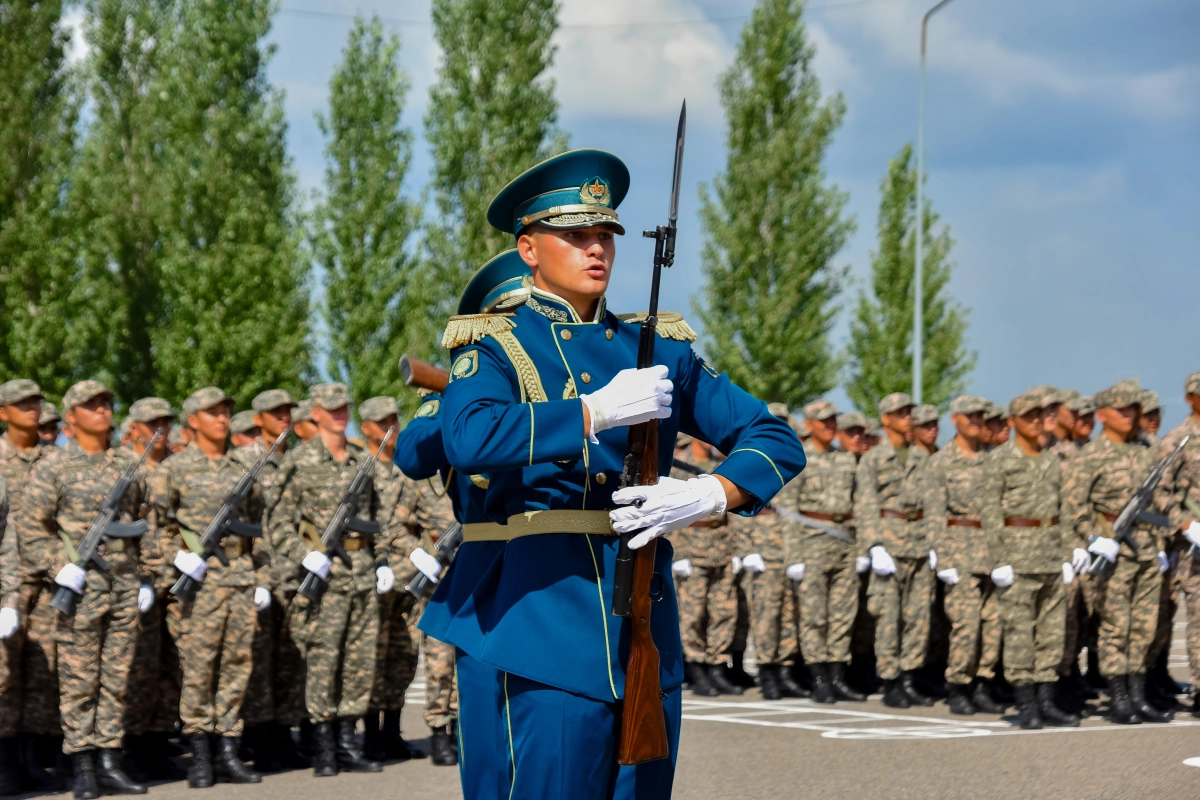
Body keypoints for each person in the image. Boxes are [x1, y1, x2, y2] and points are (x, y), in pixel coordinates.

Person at [435, 149, 805, 798]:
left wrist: (706, 494)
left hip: (643, 620)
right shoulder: (497, 347)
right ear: (528, 249)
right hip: (548, 622)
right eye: (574, 236)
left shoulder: (659, 349)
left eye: (604, 235)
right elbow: (467, 437)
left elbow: (771, 436)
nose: (595, 249)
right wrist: (590, 411)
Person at [19, 381, 156, 798]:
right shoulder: (54, 468)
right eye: (91, 405)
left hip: (123, 583)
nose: (102, 410)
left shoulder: (128, 464)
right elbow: (30, 529)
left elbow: (145, 521)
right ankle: (80, 765)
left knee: (117, 677)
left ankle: (109, 759)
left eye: (106, 404)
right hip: (80, 588)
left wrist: (148, 576)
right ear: (71, 417)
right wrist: (59, 568)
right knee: (80, 679)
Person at [269, 383, 393, 777]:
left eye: (345, 407)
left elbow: (379, 520)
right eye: (332, 407)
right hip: (324, 576)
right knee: (323, 660)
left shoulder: (362, 459)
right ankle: (323, 745)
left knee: (359, 661)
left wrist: (383, 562)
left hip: (360, 571)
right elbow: (277, 523)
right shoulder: (300, 461)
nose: (341, 413)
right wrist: (305, 555)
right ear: (315, 413)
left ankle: (346, 741)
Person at [154, 387, 270, 786]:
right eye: (212, 412)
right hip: (197, 583)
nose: (222, 418)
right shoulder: (174, 469)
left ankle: (228, 750)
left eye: (225, 412)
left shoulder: (243, 467)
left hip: (238, 577)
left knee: (237, 666)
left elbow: (261, 526)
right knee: (198, 669)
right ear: (193, 421)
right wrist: (176, 556)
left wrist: (261, 577)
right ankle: (200, 753)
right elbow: (155, 527)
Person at [1064, 381, 1171, 724]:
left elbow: (1158, 501)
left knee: (1144, 627)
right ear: (1102, 415)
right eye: (1122, 410)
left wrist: (1160, 544)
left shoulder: (1145, 452)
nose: (1130, 415)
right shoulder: (1089, 457)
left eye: (1133, 409)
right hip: (1112, 552)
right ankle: (1119, 698)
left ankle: (1139, 695)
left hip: (1146, 546)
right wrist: (1095, 537)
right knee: (1115, 626)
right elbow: (1073, 507)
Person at [982, 389, 1078, 730]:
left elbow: (1063, 511)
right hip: (1017, 557)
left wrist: (1068, 553)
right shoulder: (998, 460)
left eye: (1040, 415)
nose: (1037, 421)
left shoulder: (1052, 460)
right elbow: (990, 512)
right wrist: (998, 559)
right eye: (1029, 416)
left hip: (1050, 555)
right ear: (1012, 421)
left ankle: (1046, 702)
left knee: (1051, 635)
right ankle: (1025, 705)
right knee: (1020, 633)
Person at [358, 395, 444, 764]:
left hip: (409, 577)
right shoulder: (360, 468)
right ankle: (371, 736)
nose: (391, 427)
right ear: (366, 428)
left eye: (394, 419)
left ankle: (392, 732)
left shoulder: (409, 469)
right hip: (374, 575)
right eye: (382, 422)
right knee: (374, 656)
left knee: (404, 656)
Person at [0, 379, 65, 791]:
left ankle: (30, 758)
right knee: (5, 672)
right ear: (3, 412)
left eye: (35, 402)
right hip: (8, 580)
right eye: (21, 403)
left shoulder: (55, 461)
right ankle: (4, 762)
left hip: (47, 578)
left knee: (43, 672)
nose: (32, 408)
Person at [922, 396, 1004, 715]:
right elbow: (934, 514)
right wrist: (942, 557)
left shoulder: (994, 459)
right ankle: (958, 685)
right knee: (966, 625)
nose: (976, 420)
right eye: (969, 415)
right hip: (960, 549)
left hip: (993, 549)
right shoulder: (941, 463)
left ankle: (983, 683)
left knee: (993, 623)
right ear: (955, 419)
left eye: (980, 415)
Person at [237, 389, 305, 772]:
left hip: (293, 573)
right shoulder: (245, 461)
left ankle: (284, 734)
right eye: (275, 413)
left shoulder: (295, 461)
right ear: (257, 419)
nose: (284, 418)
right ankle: (258, 738)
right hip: (260, 575)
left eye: (287, 412)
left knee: (290, 658)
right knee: (258, 660)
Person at [782, 400, 865, 704]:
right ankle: (818, 678)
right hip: (812, 543)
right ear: (811, 424)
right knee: (815, 616)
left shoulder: (846, 460)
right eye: (824, 421)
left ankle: (837, 677)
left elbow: (861, 504)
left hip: (845, 542)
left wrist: (865, 546)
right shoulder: (799, 458)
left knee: (843, 615)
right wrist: (794, 556)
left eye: (833, 421)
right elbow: (788, 509)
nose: (831, 426)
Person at [119, 398, 182, 782]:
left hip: (174, 579)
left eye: (165, 422)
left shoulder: (175, 467)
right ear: (135, 428)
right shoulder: (124, 466)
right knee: (136, 670)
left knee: (168, 667)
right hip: (138, 582)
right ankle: (132, 748)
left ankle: (159, 744)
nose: (161, 429)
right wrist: (141, 576)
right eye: (152, 422)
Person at [856, 392, 933, 708]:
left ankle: (910, 678)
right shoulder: (873, 459)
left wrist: (935, 543)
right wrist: (874, 545)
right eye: (901, 413)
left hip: (919, 545)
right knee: (889, 618)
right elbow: (866, 504)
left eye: (910, 413)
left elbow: (934, 504)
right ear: (885, 420)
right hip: (890, 545)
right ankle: (890, 681)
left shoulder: (921, 457)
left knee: (918, 618)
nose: (908, 418)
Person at [670, 438, 745, 696]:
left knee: (724, 612)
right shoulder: (680, 466)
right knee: (692, 614)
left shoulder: (721, 465)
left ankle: (717, 667)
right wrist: (676, 552)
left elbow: (734, 511)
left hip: (722, 547)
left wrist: (738, 550)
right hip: (692, 548)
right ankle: (696, 668)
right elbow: (671, 511)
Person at [738, 403, 802, 701]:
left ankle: (785, 670)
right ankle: (767, 673)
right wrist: (747, 549)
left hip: (789, 549)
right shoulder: (750, 459)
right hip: (763, 549)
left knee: (789, 615)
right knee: (766, 615)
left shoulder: (792, 459)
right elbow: (736, 507)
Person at [1156, 370, 1200, 716]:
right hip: (1193, 545)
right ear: (1190, 398)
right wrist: (1185, 524)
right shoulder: (1178, 439)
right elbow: (1159, 492)